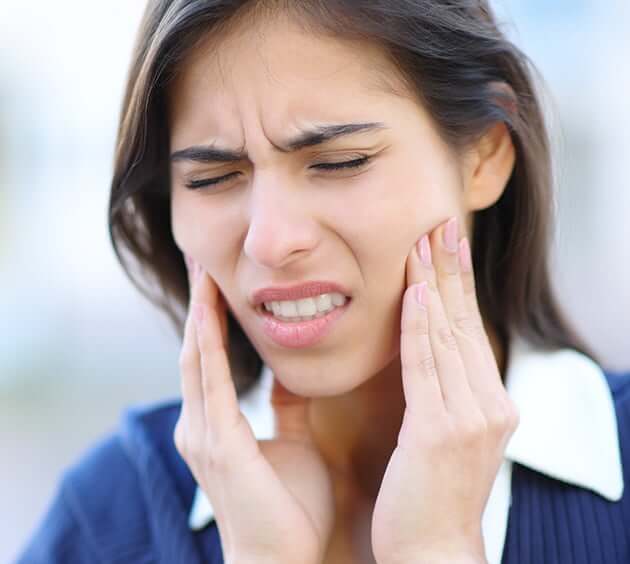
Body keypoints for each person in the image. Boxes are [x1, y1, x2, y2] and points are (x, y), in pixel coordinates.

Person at [16, 1, 630, 563]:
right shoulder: (108, 521)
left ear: (485, 156)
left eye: (339, 163)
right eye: (213, 178)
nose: (270, 241)